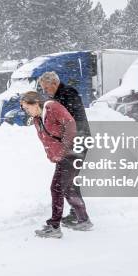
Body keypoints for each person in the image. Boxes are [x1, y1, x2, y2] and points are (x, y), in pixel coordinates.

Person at [20, 91, 92, 239]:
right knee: (68, 188)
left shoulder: (52, 107)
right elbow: (46, 139)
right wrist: (52, 154)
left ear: (35, 103)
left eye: (27, 108)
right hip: (64, 156)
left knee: (57, 187)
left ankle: (54, 226)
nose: (26, 112)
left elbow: (70, 124)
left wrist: (64, 149)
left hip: (72, 152)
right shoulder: (37, 119)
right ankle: (83, 220)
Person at [38, 71, 90, 227]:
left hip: (77, 141)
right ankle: (79, 216)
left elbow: (71, 121)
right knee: (69, 181)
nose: (45, 91)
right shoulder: (59, 96)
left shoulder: (68, 93)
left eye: (46, 88)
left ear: (54, 83)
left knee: (66, 182)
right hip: (74, 141)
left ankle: (80, 217)